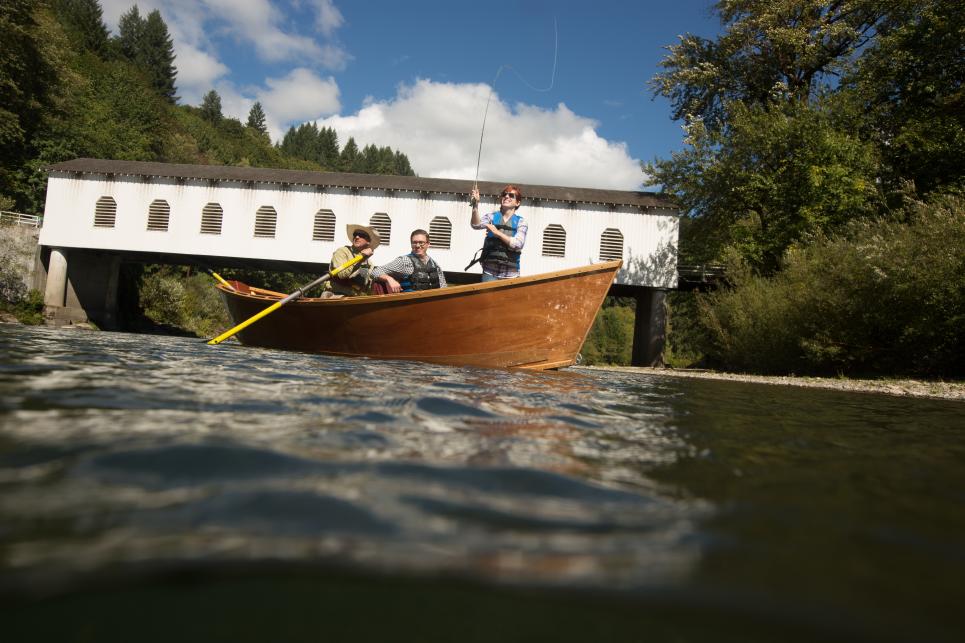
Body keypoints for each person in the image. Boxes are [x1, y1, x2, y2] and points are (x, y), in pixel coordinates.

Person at [469, 184, 528, 280]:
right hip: (489, 273)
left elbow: (518, 244)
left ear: (517, 203)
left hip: (511, 276)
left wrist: (497, 233)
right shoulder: (491, 217)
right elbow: (476, 225)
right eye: (504, 194)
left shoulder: (521, 222)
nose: (507, 196)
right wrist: (475, 205)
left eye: (511, 195)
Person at [370, 229, 447, 293]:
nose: (417, 246)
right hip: (410, 305)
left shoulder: (435, 264)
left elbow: (444, 287)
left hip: (432, 304)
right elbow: (375, 272)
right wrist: (390, 279)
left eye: (421, 242)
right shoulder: (404, 261)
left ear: (428, 244)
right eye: (414, 242)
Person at [325, 224, 380, 296]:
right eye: (355, 234)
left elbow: (364, 285)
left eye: (361, 235)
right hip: (336, 294)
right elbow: (341, 275)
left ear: (368, 241)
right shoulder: (342, 252)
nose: (357, 237)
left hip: (354, 298)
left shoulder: (369, 263)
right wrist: (360, 258)